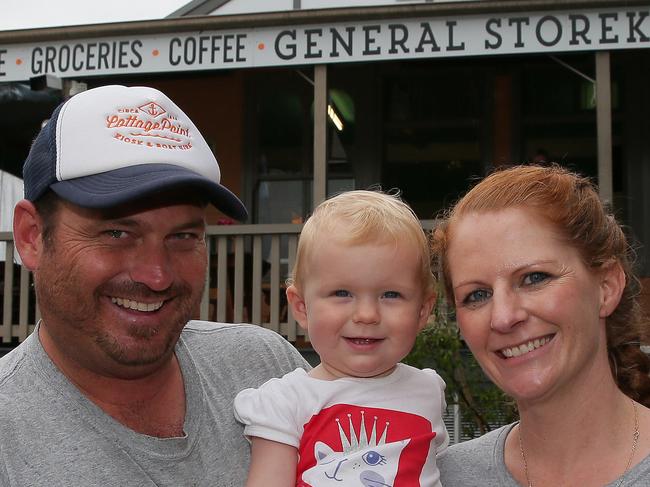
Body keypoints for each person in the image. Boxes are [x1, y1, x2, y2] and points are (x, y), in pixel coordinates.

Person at [1, 85, 308, 486]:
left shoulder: (265, 368)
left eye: (183, 237)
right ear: (31, 237)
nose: (157, 275)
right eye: (115, 233)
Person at [432, 164, 650, 486]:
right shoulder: (442, 478)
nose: (504, 317)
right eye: (477, 295)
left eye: (535, 278)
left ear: (606, 286)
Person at [234, 190, 449, 487]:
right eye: (342, 293)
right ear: (301, 307)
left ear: (423, 309)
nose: (367, 314)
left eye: (391, 294)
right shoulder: (286, 402)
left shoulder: (428, 391)